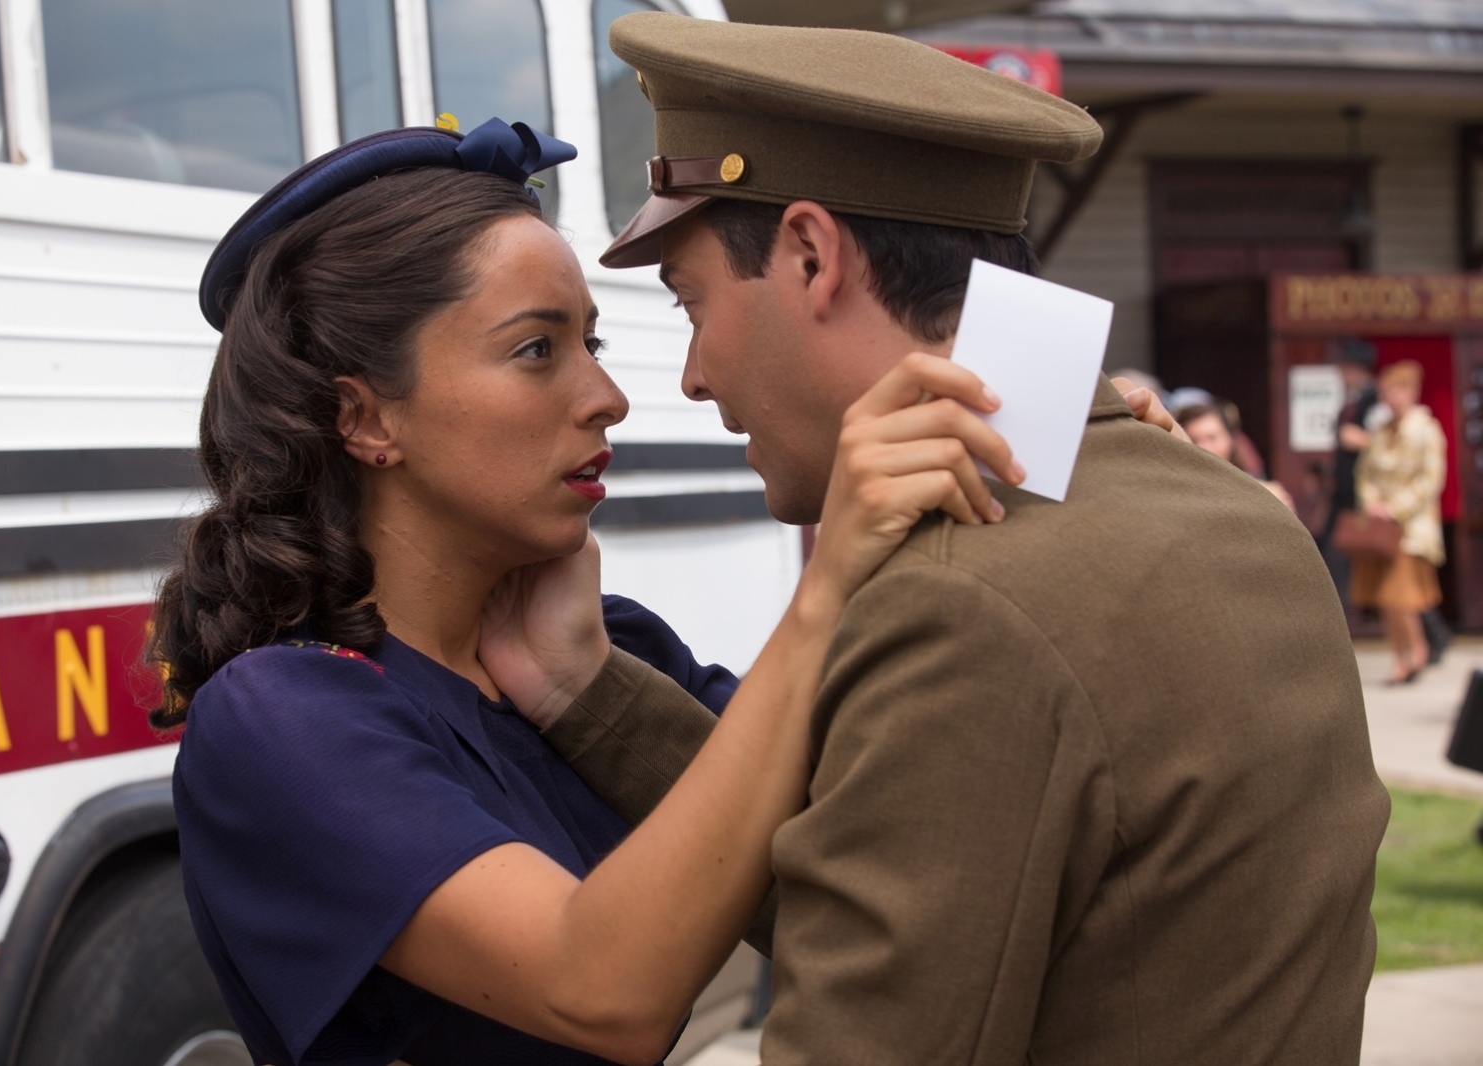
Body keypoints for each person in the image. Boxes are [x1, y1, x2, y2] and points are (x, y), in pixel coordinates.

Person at [524, 13, 1389, 1065]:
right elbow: (909, 899)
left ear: (807, 255)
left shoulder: (962, 599)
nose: (694, 373)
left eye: (693, 303)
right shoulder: (1239, 514)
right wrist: (591, 695)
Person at [160, 118, 1041, 1066]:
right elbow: (602, 993)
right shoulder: (282, 717)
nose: (608, 394)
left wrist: (1081, 465)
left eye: (594, 340)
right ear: (363, 417)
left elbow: (902, 837)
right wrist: (825, 592)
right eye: (538, 350)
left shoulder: (600, 648)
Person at [1352, 359, 1448, 684]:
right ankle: (1400, 654)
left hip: (1410, 528)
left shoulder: (1426, 430)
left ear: (1410, 392)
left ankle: (1416, 650)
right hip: (1380, 527)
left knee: (1400, 595)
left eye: (1395, 390)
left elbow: (1430, 481)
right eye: (1386, 391)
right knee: (1383, 596)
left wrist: (1396, 508)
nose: (1390, 398)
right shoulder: (1379, 431)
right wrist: (1372, 503)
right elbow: (1365, 473)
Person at [1176, 401, 1295, 512]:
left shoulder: (1267, 495)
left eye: (1212, 438)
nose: (1204, 448)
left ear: (1230, 439)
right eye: (1193, 439)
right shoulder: (1176, 494)